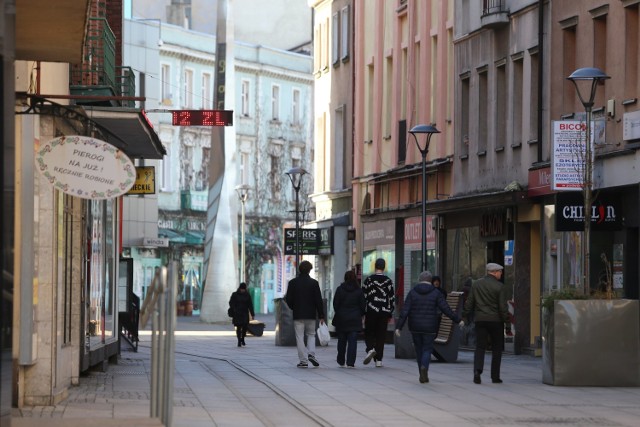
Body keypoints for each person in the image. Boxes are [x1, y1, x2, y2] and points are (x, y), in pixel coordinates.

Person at [395, 271, 462, 383]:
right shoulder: (436, 293)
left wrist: (399, 327)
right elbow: (445, 309)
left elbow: (405, 311)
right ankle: (424, 368)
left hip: (415, 326)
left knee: (419, 349)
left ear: (419, 280)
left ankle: (421, 371)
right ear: (431, 281)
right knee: (427, 349)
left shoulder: (412, 292)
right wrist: (458, 320)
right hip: (430, 326)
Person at [462, 262, 510, 384]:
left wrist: (465, 316)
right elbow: (503, 308)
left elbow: (469, 302)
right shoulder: (500, 286)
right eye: (500, 272)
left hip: (480, 320)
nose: (501, 274)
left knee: (480, 347)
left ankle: (477, 371)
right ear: (494, 272)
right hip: (496, 321)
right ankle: (495, 376)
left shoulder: (476, 284)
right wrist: (507, 324)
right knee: (497, 348)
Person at [285, 260, 325, 368]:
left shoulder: (292, 283)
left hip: (298, 314)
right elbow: (318, 300)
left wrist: (294, 307)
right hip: (311, 315)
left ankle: (303, 360)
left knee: (299, 337)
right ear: (310, 270)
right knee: (311, 335)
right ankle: (311, 354)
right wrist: (321, 315)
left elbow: (288, 299)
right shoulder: (314, 283)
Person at [362, 258, 395, 367]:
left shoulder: (368, 280)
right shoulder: (388, 281)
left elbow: (364, 296)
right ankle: (379, 360)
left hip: (371, 310)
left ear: (375, 266)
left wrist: (363, 312)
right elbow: (391, 298)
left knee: (369, 332)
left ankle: (370, 349)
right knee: (381, 335)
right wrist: (390, 312)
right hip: (384, 312)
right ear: (384, 267)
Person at [332, 270, 366, 368]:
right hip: (354, 319)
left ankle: (341, 359)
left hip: (342, 319)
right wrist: (360, 314)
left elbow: (335, 304)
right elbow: (363, 306)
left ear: (345, 278)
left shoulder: (340, 289)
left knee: (341, 340)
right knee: (353, 342)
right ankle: (350, 362)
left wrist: (339, 312)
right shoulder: (359, 291)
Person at [228, 282, 255, 347]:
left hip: (244, 313)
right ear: (239, 288)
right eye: (242, 289)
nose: (243, 290)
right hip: (237, 313)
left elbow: (250, 305)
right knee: (238, 327)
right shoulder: (234, 294)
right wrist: (234, 308)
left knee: (245, 327)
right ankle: (239, 341)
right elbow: (231, 302)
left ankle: (242, 338)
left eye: (244, 289)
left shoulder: (247, 295)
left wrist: (252, 314)